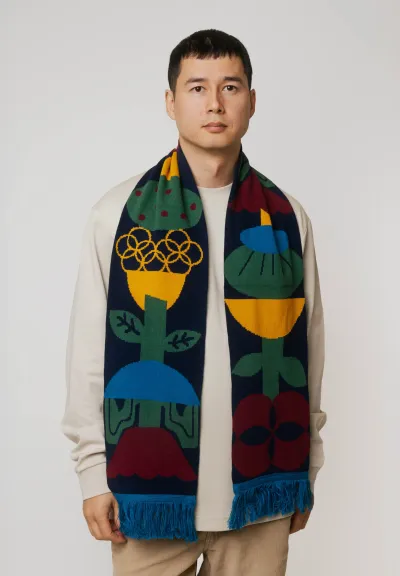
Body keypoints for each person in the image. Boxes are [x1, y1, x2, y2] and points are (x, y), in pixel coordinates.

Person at [61, 28, 327, 576]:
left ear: (252, 100)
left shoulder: (287, 217)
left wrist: (308, 466)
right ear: (170, 101)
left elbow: (309, 348)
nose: (214, 104)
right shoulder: (116, 214)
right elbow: (88, 352)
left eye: (230, 86)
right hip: (145, 496)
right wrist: (92, 473)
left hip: (263, 491)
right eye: (197, 87)